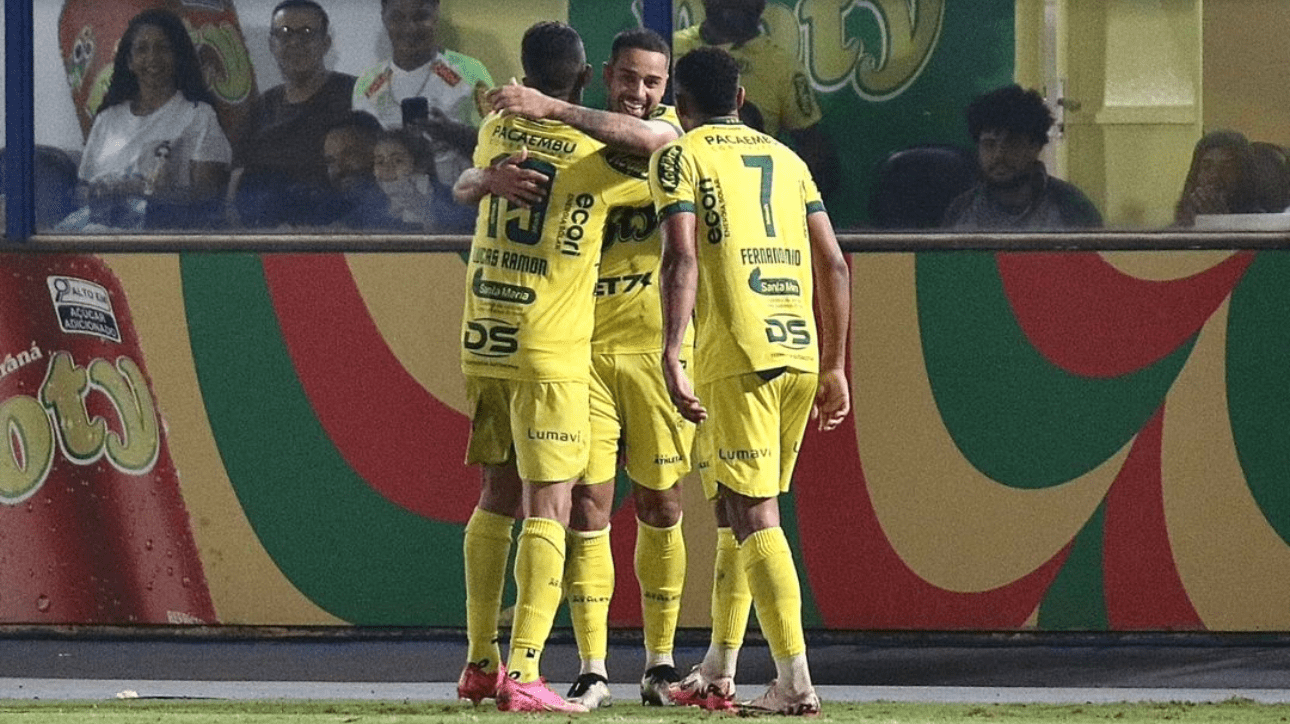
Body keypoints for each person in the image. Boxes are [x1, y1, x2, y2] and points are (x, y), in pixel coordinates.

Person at [487, 27, 693, 710]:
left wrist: (553, 108)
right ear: (606, 75)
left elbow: (654, 141)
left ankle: (661, 660)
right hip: (582, 350)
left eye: (653, 82)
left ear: (667, 89)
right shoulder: (571, 146)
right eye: (629, 79)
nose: (639, 93)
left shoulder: (663, 141)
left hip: (653, 346)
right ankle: (594, 664)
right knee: (586, 507)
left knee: (663, 503)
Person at [650, 46, 851, 716]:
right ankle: (719, 668)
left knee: (754, 512)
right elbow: (835, 263)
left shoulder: (679, 154)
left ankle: (795, 681)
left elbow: (682, 256)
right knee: (736, 508)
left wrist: (672, 350)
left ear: (679, 105)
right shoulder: (788, 160)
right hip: (797, 351)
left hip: (737, 351)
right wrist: (834, 364)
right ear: (741, 99)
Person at [452, 20, 643, 714]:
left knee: (493, 496)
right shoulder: (598, 151)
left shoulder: (498, 132)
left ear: (522, 76)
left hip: (485, 336)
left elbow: (469, 180)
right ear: (586, 79)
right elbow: (661, 145)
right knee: (550, 505)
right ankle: (526, 671)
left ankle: (479, 662)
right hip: (547, 347)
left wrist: (478, 178)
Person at [69, 8, 231, 231]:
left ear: (178, 56)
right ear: (129, 61)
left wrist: (140, 190)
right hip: (96, 239)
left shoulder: (199, 116)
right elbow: (81, 192)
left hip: (158, 246)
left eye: (163, 48)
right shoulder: (107, 118)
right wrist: (100, 194)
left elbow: (207, 199)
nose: (152, 58)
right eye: (142, 49)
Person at [672, 0, 840, 200]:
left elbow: (815, 150)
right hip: (679, 185)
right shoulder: (672, 46)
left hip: (749, 194)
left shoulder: (781, 65)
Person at [233, 0, 356, 228]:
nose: (296, 42)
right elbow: (238, 180)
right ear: (271, 44)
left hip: (337, 239)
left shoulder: (354, 94)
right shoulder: (262, 107)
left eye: (307, 33)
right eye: (285, 33)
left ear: (325, 43)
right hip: (266, 242)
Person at [353, 0, 493, 187]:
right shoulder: (367, 82)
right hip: (387, 208)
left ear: (435, 14)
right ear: (384, 18)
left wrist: (454, 134)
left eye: (420, 17)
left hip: (457, 204)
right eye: (397, 17)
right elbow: (361, 156)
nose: (409, 28)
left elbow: (496, 147)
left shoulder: (469, 72)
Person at [942, 84, 1101, 230]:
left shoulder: (1070, 208)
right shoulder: (962, 211)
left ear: (1036, 147)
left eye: (1012, 144)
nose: (999, 155)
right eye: (989, 144)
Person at [372, 128, 473, 232]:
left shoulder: (448, 196)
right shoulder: (370, 198)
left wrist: (423, 209)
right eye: (380, 162)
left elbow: (458, 228)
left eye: (398, 161)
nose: (387, 167)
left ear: (419, 165)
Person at [320, 110, 403, 229]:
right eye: (331, 160)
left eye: (349, 155)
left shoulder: (414, 203)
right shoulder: (327, 215)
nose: (339, 169)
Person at [1173, 130, 1274, 226]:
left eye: (1226, 168)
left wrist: (1220, 220)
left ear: (1242, 174)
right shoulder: (1177, 229)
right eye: (1206, 167)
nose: (1214, 176)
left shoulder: (1263, 224)